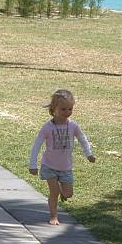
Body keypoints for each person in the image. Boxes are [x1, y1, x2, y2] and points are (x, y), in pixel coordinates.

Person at [29, 90, 95, 225]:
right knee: (54, 193)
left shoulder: (73, 126)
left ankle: (62, 192)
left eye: (70, 109)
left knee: (68, 193)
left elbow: (82, 139)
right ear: (54, 109)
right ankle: (53, 216)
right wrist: (33, 165)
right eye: (63, 109)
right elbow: (36, 146)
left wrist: (88, 154)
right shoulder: (47, 127)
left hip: (66, 168)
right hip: (49, 166)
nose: (67, 112)